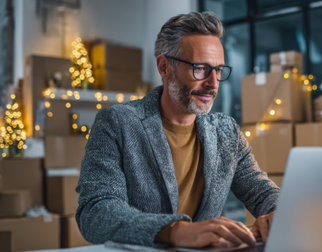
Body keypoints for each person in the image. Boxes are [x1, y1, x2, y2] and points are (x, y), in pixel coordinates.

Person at [76, 11, 280, 249]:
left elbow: (261, 191)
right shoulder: (117, 123)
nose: (213, 83)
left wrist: (277, 212)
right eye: (201, 68)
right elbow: (95, 212)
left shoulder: (226, 132)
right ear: (164, 67)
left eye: (218, 70)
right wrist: (176, 231)